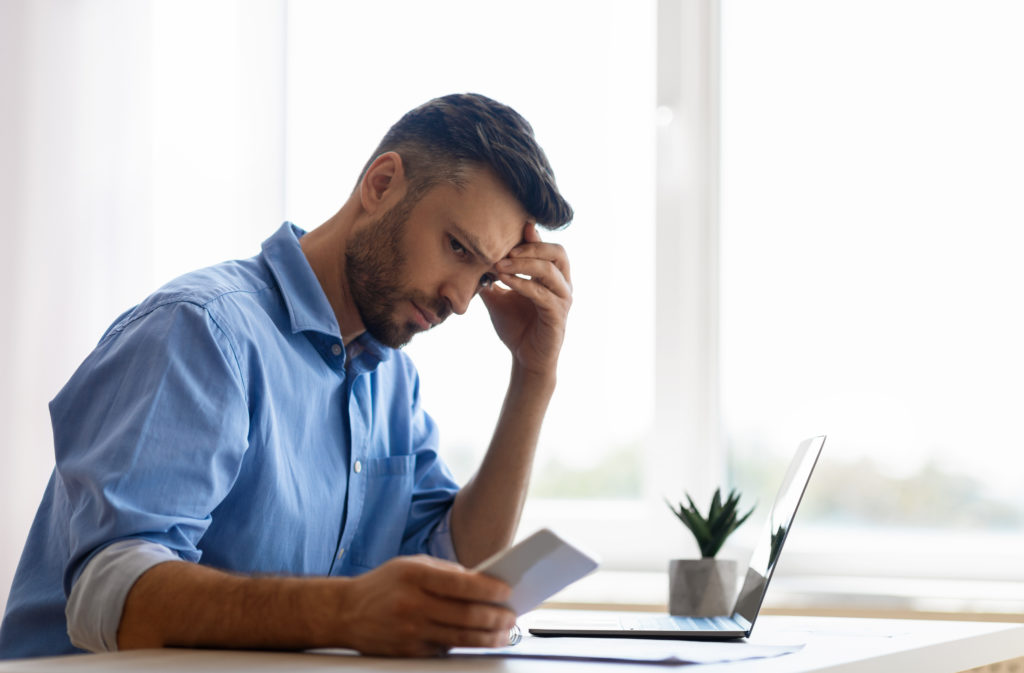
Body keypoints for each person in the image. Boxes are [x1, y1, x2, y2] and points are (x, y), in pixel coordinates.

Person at [0, 93, 574, 659]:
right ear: (381, 184)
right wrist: (345, 613)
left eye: (480, 278)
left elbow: (453, 572)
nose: (460, 299)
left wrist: (533, 374)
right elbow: (109, 593)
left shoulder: (392, 381)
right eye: (456, 247)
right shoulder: (202, 332)